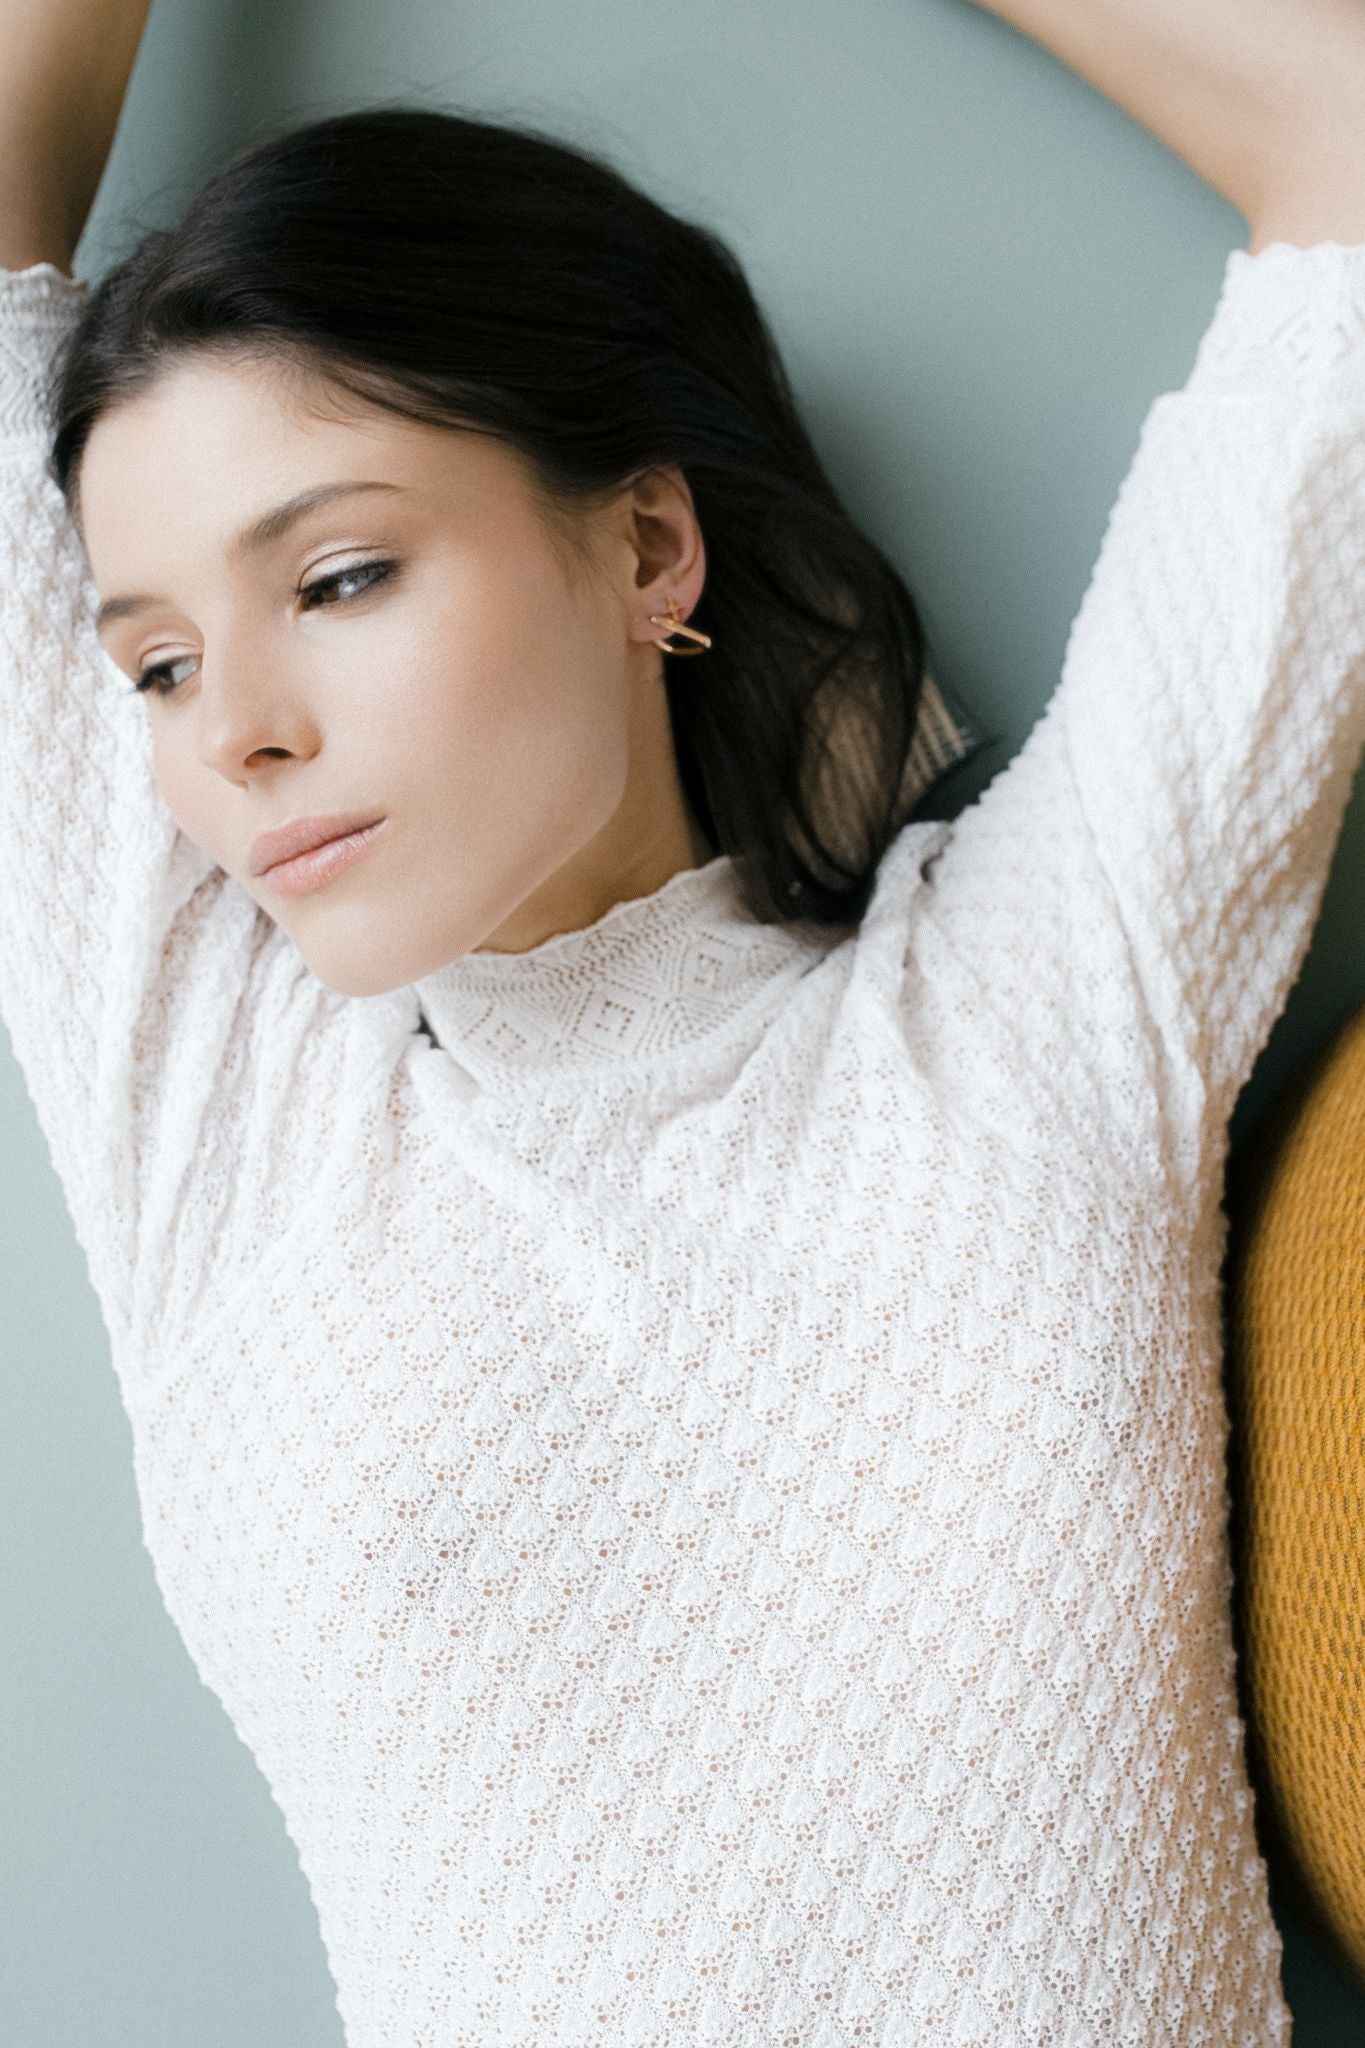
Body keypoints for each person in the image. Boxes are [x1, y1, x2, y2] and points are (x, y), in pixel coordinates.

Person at [3, 1, 1364, 2042]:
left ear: (646, 548)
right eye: (160, 663)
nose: (241, 732)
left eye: (346, 573)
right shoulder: (220, 1104)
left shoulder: (1026, 1007)